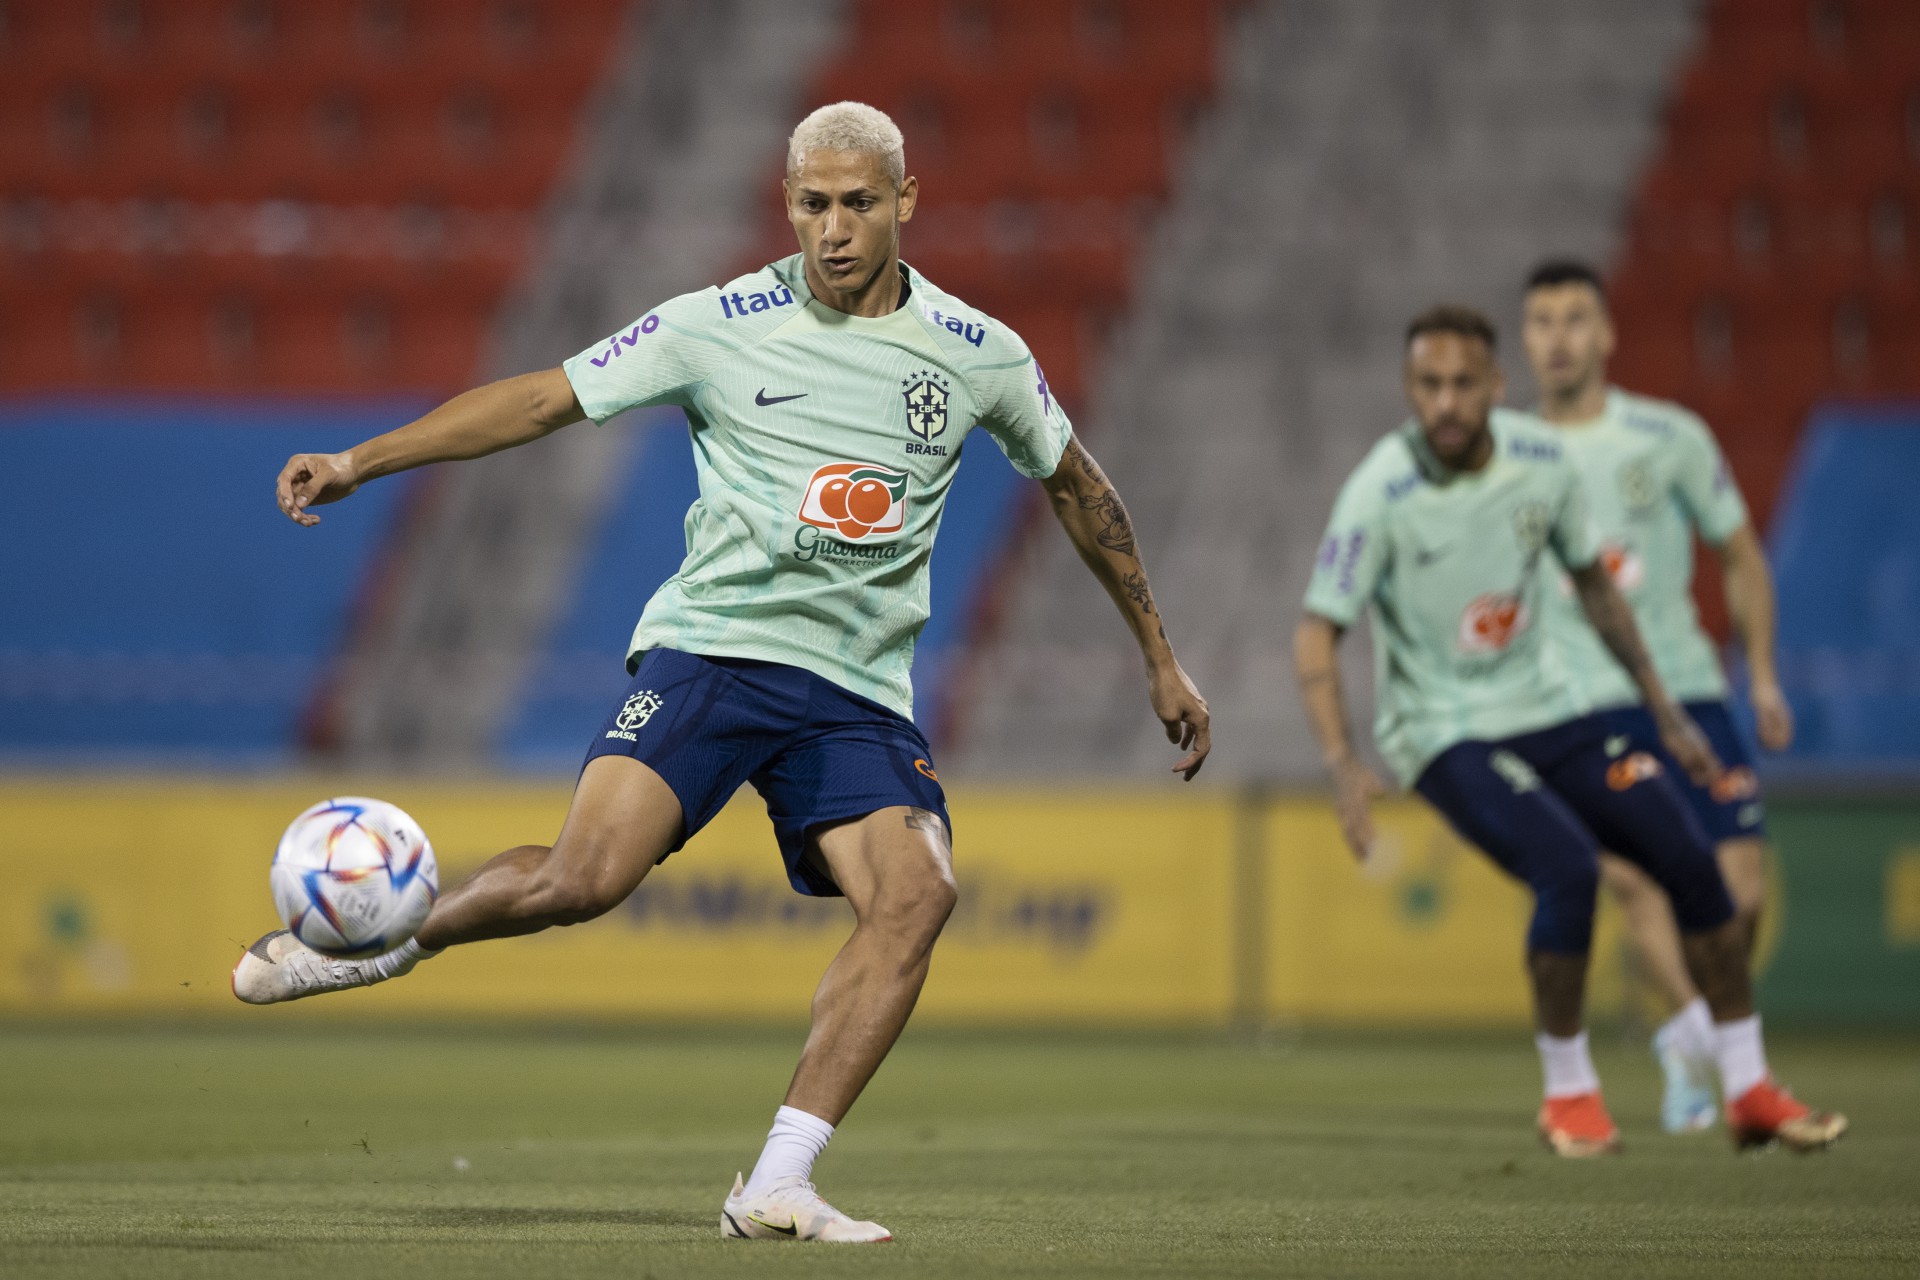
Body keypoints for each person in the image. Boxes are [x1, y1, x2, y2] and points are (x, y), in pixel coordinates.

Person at [233, 101, 1211, 1242]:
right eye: (814, 204)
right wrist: (360, 459)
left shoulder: (978, 351)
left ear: (905, 201)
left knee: (919, 894)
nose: (835, 228)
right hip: (719, 649)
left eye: (859, 203)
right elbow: (545, 397)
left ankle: (778, 1180)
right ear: (786, 203)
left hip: (856, 692)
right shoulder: (717, 323)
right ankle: (392, 940)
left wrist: (1160, 655)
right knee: (582, 881)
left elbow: (1078, 486)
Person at [1291, 304, 1842, 1157]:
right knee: (1569, 869)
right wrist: (1342, 762)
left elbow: (1595, 587)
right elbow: (1316, 630)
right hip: (1444, 731)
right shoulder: (1379, 491)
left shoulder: (1541, 463)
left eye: (1463, 383)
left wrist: (1662, 711)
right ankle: (1569, 1094)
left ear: (1496, 386)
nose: (1445, 402)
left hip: (1553, 707)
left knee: (1691, 862)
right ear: (1408, 388)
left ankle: (1749, 1088)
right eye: (1428, 385)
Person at [1522, 259, 1790, 1134]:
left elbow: (1739, 552)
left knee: (1741, 897)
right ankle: (1725, 1056)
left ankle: (1689, 1039)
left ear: (1605, 333)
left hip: (1691, 690)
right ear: (1525, 338)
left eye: (1574, 319)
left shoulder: (1670, 436)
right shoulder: (1508, 453)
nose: (1558, 338)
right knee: (1636, 883)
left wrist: (1763, 673)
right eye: (1542, 321)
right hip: (1583, 704)